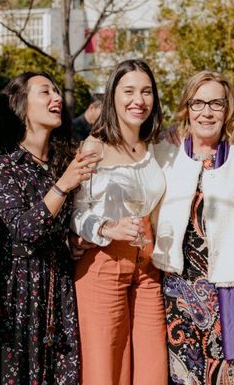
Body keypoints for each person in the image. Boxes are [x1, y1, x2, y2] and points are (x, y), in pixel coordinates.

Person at [152, 70, 234, 384]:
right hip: (179, 298)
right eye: (198, 103)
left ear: (228, 110)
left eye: (216, 104)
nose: (206, 112)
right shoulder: (166, 154)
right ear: (187, 107)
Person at [0, 72, 100, 384]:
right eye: (45, 92)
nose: (56, 99)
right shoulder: (4, 161)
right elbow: (22, 229)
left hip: (60, 282)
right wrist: (63, 185)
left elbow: (62, 221)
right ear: (22, 105)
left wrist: (70, 238)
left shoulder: (63, 156)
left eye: (56, 92)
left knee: (63, 372)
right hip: (19, 287)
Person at [71, 59, 168, 385]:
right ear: (113, 96)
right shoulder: (93, 147)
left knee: (153, 370)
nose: (138, 100)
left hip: (149, 267)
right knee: (105, 371)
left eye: (146, 91)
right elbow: (75, 212)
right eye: (129, 91)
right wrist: (105, 227)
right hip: (104, 265)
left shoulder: (158, 146)